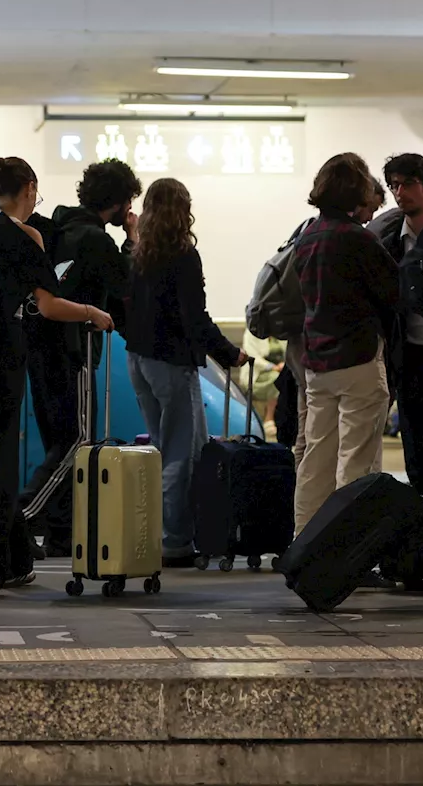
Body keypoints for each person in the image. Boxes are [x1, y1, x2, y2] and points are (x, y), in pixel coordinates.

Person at [0, 157, 113, 597]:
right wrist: (95, 313)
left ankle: (12, 560)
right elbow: (49, 306)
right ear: (29, 188)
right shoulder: (24, 235)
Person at [125, 178, 246, 567]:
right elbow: (195, 319)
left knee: (162, 449)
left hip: (138, 360)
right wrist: (229, 353)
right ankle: (175, 542)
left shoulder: (139, 253)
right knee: (181, 454)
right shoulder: (182, 256)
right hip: (171, 363)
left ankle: (154, 534)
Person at [23, 160, 143, 555]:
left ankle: (60, 534)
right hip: (72, 354)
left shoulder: (57, 230)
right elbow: (127, 287)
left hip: (39, 351)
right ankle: (13, 520)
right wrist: (132, 237)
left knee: (57, 443)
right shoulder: (96, 240)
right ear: (122, 202)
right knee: (76, 442)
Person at [292, 153, 399, 534]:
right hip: (358, 359)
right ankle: (347, 557)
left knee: (315, 462)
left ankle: (304, 547)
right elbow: (393, 294)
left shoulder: (308, 237)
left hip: (318, 364)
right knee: (357, 464)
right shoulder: (359, 239)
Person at [371, 153, 423, 496]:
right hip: (409, 355)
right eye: (394, 185)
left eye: (408, 184)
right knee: (414, 442)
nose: (399, 192)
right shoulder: (389, 242)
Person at [241, 329, 286, 439]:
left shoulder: (283, 332)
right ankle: (269, 418)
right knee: (277, 379)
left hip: (281, 370)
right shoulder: (251, 333)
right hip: (257, 375)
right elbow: (252, 357)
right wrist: (273, 367)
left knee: (288, 379)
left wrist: (284, 365)